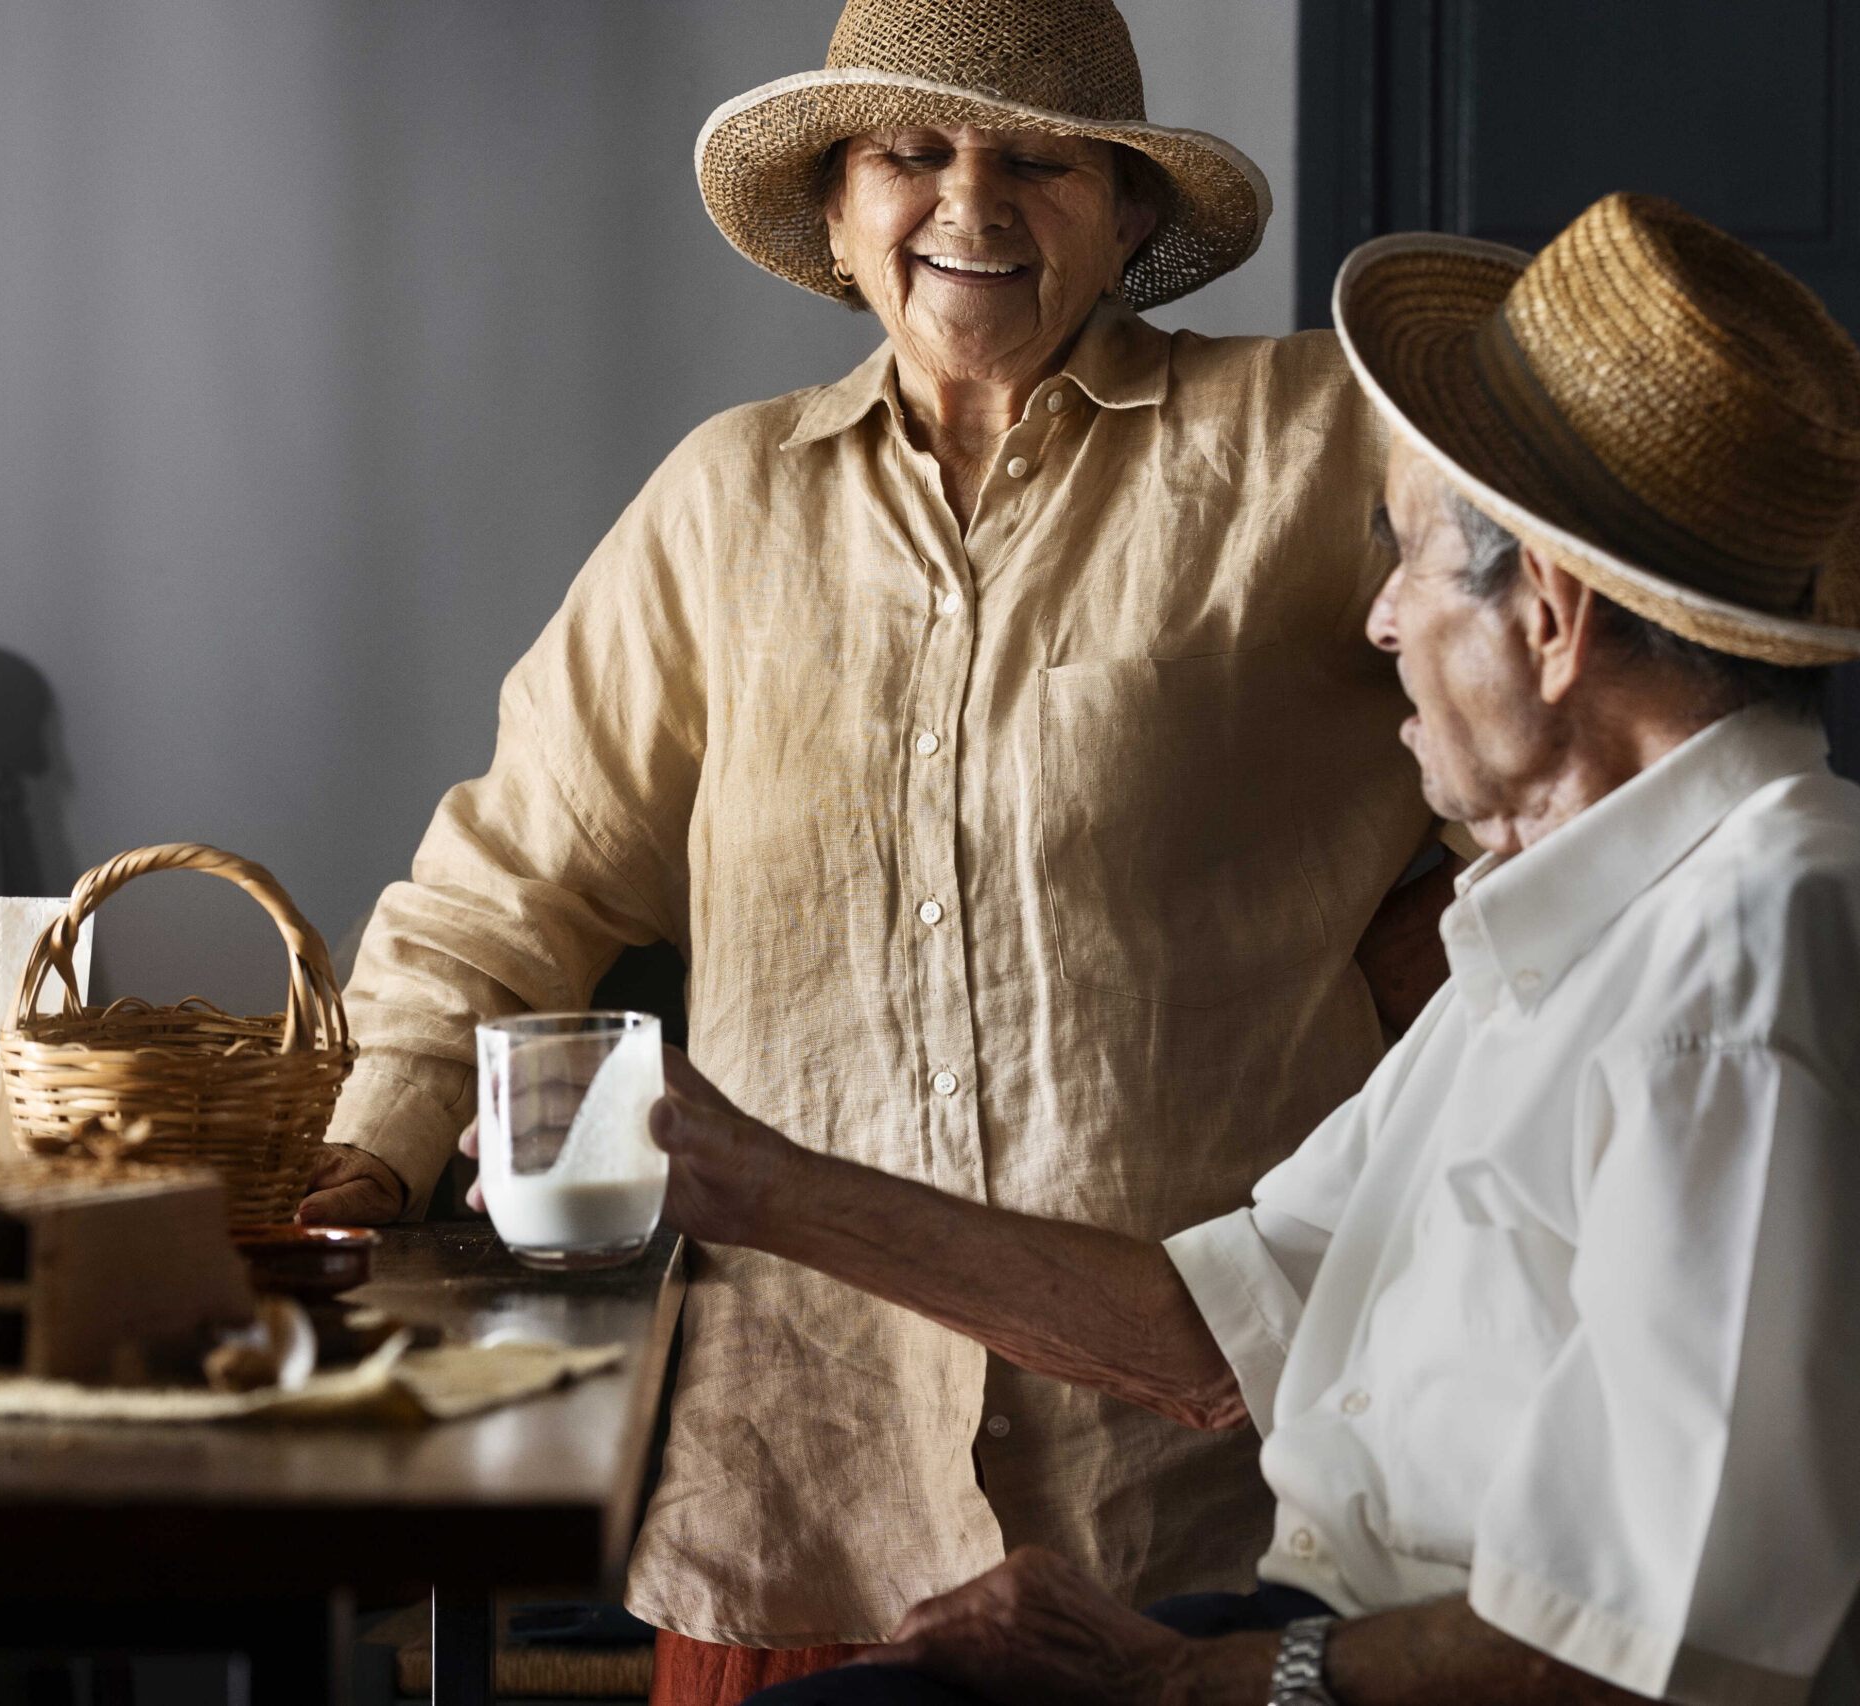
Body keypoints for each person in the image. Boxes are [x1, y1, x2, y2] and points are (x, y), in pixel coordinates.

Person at [529, 193, 1860, 1704]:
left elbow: (1623, 1659)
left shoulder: (1756, 976)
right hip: (1339, 1644)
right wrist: (751, 1181)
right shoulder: (1581, 928)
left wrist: (1187, 1678)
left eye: (1414, 559)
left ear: (1553, 619)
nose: (1379, 622)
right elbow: (1202, 1332)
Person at [304, 0, 1460, 1691]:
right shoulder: (724, 506)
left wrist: (1427, 956)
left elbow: (1577, 670)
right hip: (801, 1482)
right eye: (913, 152)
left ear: (1132, 214)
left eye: (1037, 162)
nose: (970, 209)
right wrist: (370, 1151)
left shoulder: (1305, 444)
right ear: (840, 216)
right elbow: (511, 879)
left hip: (1190, 1511)